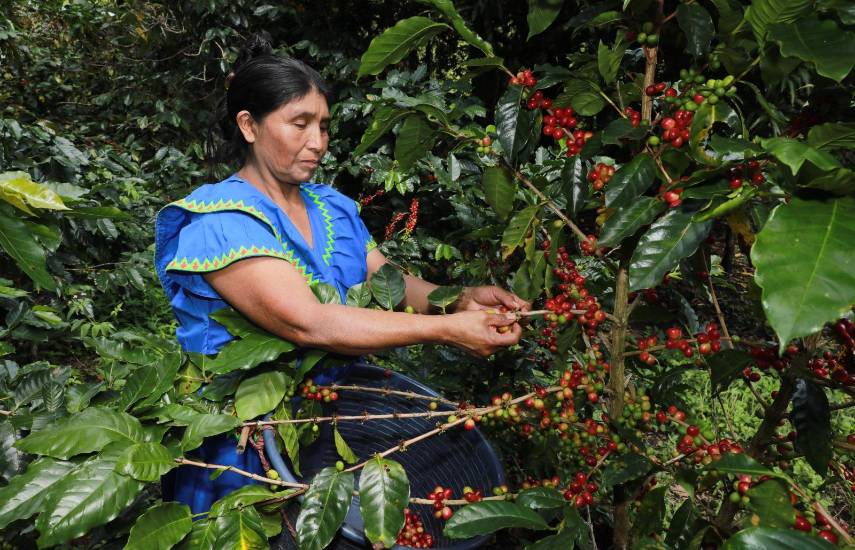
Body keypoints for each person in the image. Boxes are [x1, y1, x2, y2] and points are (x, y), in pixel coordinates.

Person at [154, 33, 528, 514]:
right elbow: (309, 322)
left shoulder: (331, 207)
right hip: (246, 445)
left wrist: (458, 300)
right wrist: (445, 330)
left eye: (324, 126)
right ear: (249, 125)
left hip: (336, 425)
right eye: (300, 124)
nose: (318, 143)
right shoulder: (220, 222)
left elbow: (383, 281)